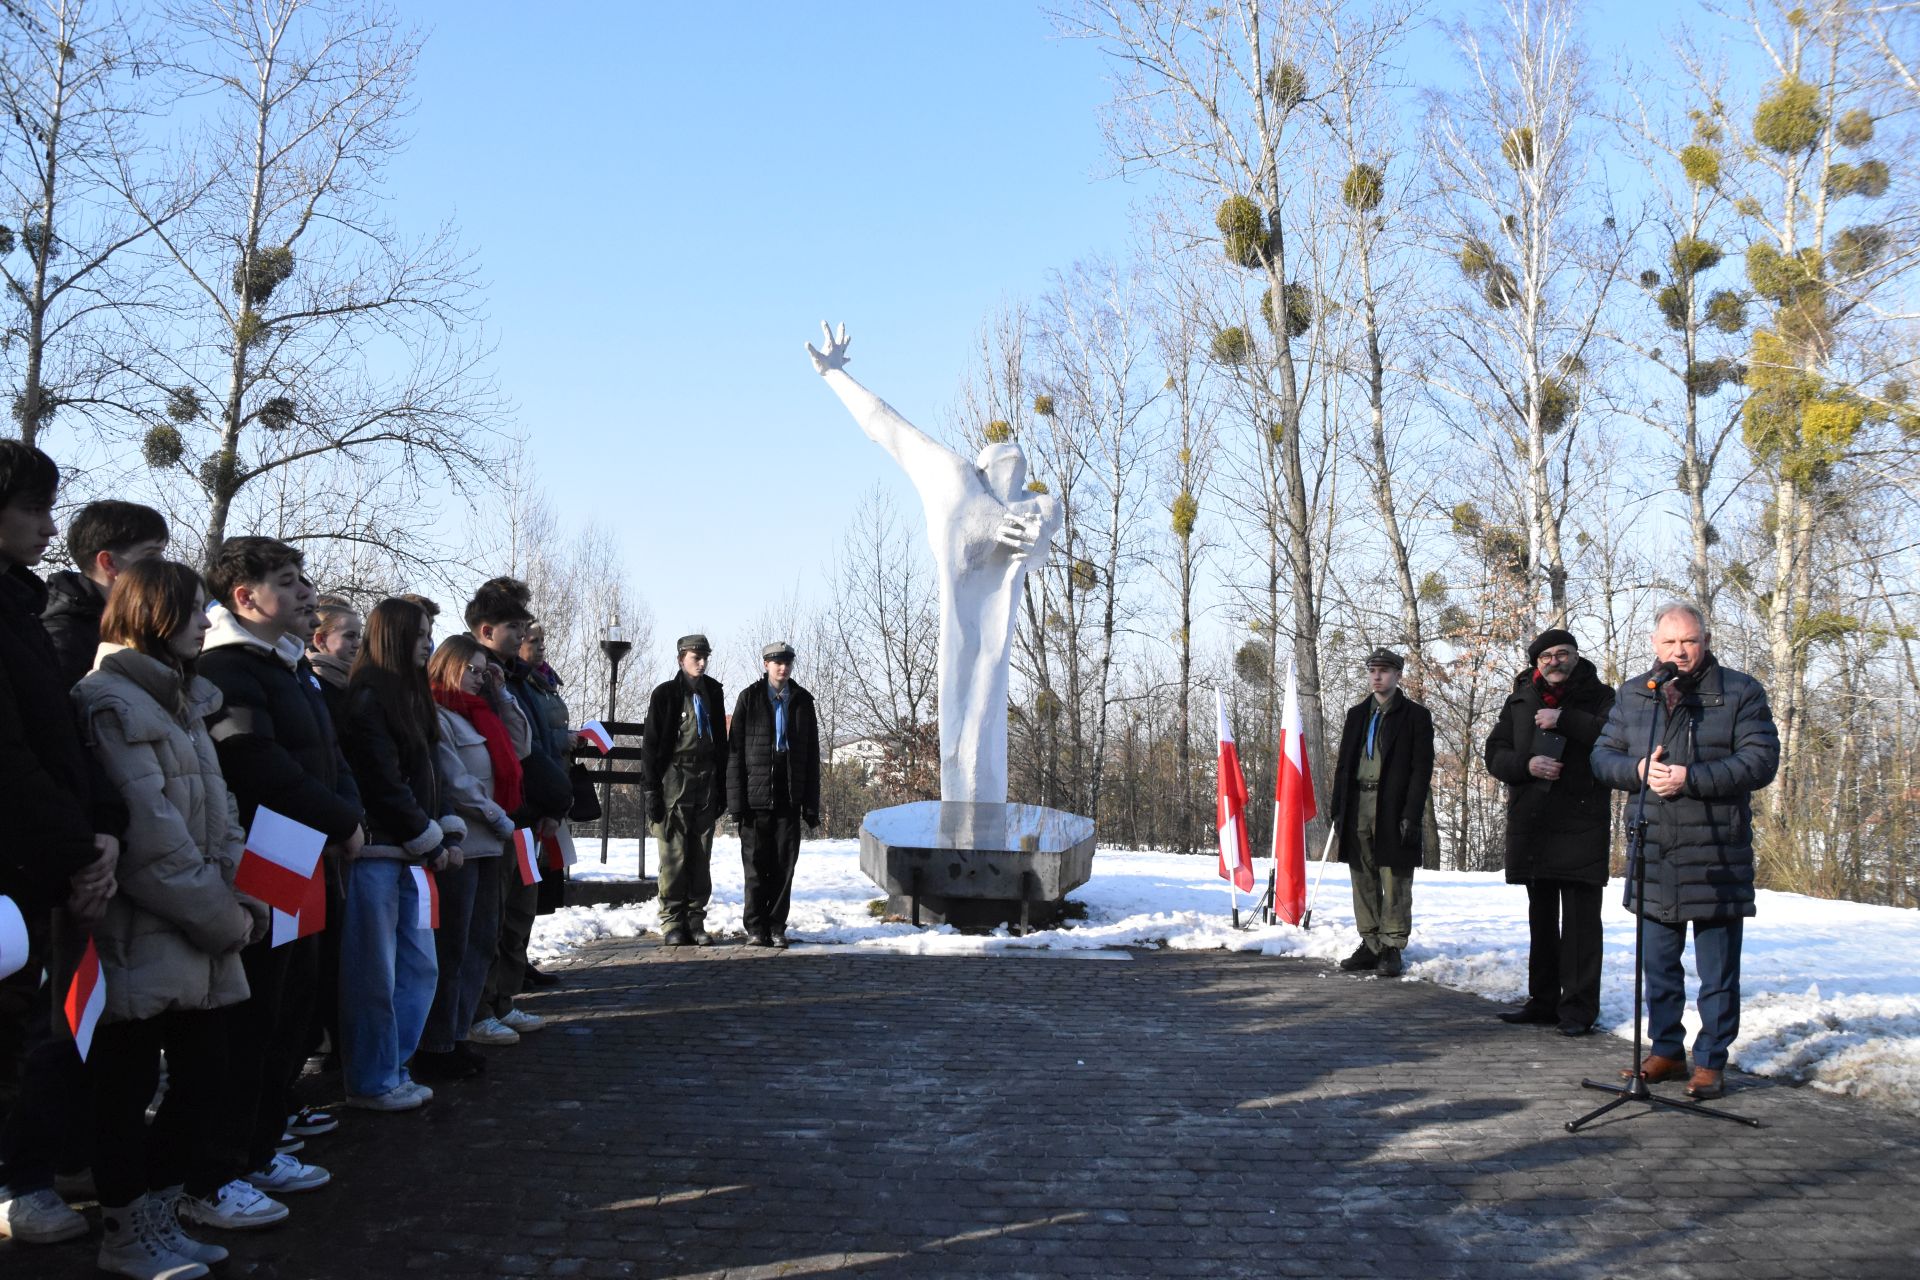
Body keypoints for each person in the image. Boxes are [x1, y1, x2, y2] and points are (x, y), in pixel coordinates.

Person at [73, 559, 269, 1279]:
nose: (202, 622)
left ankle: (156, 1215)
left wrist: (238, 891)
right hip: (142, 930)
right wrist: (222, 914)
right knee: (126, 1089)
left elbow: (220, 815)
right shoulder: (110, 702)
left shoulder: (182, 702)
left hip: (202, 921)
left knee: (203, 1083)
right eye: (190, 609)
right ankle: (124, 1232)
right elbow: (150, 836)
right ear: (151, 612)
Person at [808, 322, 1061, 803]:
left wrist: (1040, 530)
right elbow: (887, 428)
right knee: (962, 738)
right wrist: (833, 375)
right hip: (960, 633)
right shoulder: (954, 478)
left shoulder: (1029, 508)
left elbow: (1043, 526)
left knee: (984, 728)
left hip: (991, 641)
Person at [195, 537, 364, 1228]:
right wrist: (337, 819)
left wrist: (344, 812)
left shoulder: (289, 665)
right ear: (245, 597)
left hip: (305, 854)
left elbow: (330, 755)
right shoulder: (230, 669)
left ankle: (261, 1145)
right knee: (255, 1015)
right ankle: (220, 1167)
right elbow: (257, 763)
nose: (304, 595)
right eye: (289, 583)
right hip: (265, 855)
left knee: (293, 1009)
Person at [0, 441, 123, 1247]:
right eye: (36, 507)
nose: (50, 525)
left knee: (47, 1030)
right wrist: (79, 846)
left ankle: (37, 1169)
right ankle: (20, 1181)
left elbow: (60, 732)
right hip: (19, 859)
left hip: (49, 851)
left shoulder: (16, 600)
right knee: (21, 1034)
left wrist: (100, 831)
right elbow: (9, 750)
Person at [1592, 601, 1779, 1100]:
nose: (1680, 651)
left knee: (1717, 970)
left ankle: (1711, 1060)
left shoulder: (1739, 691)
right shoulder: (1635, 694)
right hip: (1654, 849)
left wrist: (1690, 779)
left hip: (1716, 852)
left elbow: (1760, 762)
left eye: (1689, 641)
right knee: (1659, 964)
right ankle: (1667, 1050)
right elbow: (1601, 757)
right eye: (1670, 642)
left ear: (1706, 641)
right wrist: (1636, 771)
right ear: (1655, 645)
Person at [338, 599, 465, 1111]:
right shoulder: (369, 697)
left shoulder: (412, 698)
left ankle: (395, 1065)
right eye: (419, 633)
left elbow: (431, 772)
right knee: (375, 975)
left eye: (431, 632)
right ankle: (371, 1078)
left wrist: (444, 828)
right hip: (380, 854)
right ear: (393, 636)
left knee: (418, 970)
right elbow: (383, 782)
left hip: (414, 853)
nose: (428, 642)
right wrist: (429, 835)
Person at [1483, 628, 1617, 1036]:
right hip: (1534, 822)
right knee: (1540, 920)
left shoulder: (1603, 697)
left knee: (1580, 924)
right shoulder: (1520, 699)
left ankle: (1577, 1010)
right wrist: (1526, 766)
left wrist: (1566, 721)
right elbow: (1495, 753)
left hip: (1580, 821)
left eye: (1563, 653)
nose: (1555, 661)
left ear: (1576, 656)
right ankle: (1542, 1001)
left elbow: (1616, 740)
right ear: (1536, 662)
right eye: (1546, 656)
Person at [464, 578, 568, 1045]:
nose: (524, 631)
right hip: (497, 815)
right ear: (487, 628)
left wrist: (550, 804)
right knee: (490, 919)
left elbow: (533, 744)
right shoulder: (475, 671)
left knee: (517, 911)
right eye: (516, 624)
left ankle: (502, 1000)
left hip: (527, 812)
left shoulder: (518, 679)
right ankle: (479, 1007)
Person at [413, 636, 520, 1082]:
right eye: (472, 670)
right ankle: (439, 1041)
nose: (479, 678)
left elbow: (522, 746)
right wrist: (497, 818)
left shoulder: (483, 712)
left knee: (480, 943)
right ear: (448, 665)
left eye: (483, 670)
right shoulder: (437, 713)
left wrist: (503, 694)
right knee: (452, 947)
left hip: (490, 843)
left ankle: (458, 1034)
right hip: (464, 842)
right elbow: (456, 781)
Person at [1327, 647, 1434, 978]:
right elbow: (1345, 764)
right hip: (1359, 801)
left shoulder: (1415, 716)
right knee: (1362, 874)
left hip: (1393, 804)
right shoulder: (1357, 714)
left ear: (1398, 675)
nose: (1377, 676)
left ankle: (1392, 945)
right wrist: (1338, 808)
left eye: (1384, 671)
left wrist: (1411, 814)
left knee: (1395, 875)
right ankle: (1370, 942)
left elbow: (1421, 769)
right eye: (1372, 670)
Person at [728, 641, 820, 949]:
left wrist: (810, 803)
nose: (782, 667)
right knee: (755, 867)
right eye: (776, 662)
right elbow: (734, 755)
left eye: (787, 662)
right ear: (766, 664)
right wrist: (736, 803)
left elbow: (811, 755)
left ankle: (777, 925)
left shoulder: (803, 701)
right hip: (755, 798)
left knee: (784, 865)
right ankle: (756, 927)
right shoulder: (750, 698)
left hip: (788, 794)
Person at [643, 635, 728, 947]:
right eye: (696, 657)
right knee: (674, 852)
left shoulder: (713, 692)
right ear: (681, 659)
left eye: (705, 656)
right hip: (675, 778)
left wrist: (723, 787)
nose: (702, 663)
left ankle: (695, 919)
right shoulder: (666, 694)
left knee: (700, 852)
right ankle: (672, 921)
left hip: (705, 777)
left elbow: (721, 740)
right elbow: (651, 745)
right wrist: (652, 789)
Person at [42, 500, 170, 689]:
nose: (163, 564)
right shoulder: (64, 640)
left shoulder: (143, 623)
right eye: (151, 555)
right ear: (108, 562)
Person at [307, 598, 362, 722]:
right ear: (320, 639)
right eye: (349, 636)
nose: (357, 644)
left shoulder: (358, 682)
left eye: (358, 636)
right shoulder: (311, 682)